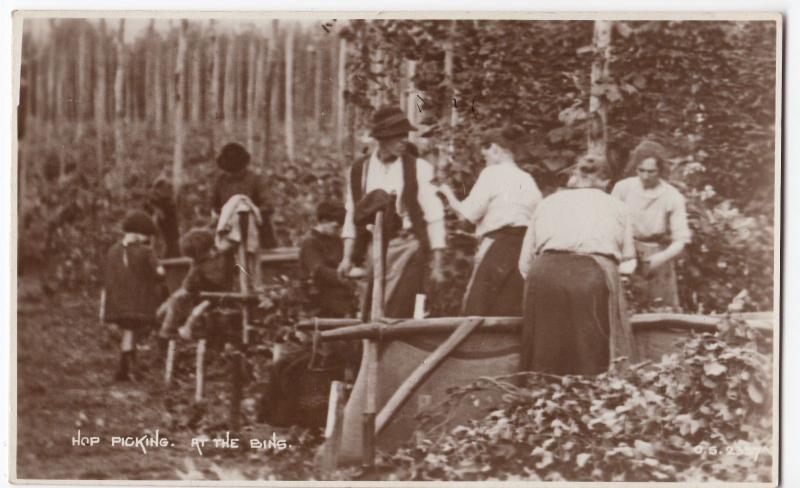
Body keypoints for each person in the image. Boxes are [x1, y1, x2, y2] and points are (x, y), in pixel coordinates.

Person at [517, 154, 638, 376]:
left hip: (544, 275)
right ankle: (590, 401)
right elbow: (628, 259)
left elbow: (525, 262)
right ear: (606, 181)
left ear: (576, 177)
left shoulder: (549, 202)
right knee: (590, 352)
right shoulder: (617, 206)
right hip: (590, 277)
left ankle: (541, 400)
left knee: (546, 350)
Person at [336, 106, 446, 318]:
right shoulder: (360, 170)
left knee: (402, 310)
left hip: (408, 247)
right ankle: (373, 351)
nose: (403, 141)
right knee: (371, 309)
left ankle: (400, 350)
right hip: (374, 248)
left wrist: (438, 265)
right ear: (382, 138)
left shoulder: (418, 168)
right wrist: (346, 257)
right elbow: (352, 214)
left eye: (405, 136)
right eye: (397, 136)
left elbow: (435, 216)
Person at [437, 125, 542, 316]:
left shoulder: (492, 174)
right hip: (525, 249)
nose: (485, 158)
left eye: (486, 153)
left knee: (478, 306)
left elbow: (468, 213)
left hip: (498, 246)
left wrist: (447, 193)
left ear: (495, 149)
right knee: (511, 306)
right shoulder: (528, 179)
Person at [611, 140, 691, 311]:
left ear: (660, 170)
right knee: (627, 306)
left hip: (658, 257)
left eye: (651, 171)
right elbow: (611, 223)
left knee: (661, 308)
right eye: (641, 170)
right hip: (627, 251)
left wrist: (658, 259)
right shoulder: (623, 188)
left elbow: (681, 239)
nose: (645, 176)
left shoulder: (672, 196)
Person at [100, 210, 165, 381]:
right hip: (138, 304)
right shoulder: (146, 251)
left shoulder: (112, 250)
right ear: (138, 234)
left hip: (116, 303)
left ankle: (123, 368)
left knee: (130, 331)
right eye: (146, 236)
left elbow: (107, 278)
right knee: (132, 329)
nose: (148, 239)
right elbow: (160, 272)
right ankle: (132, 368)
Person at [212, 142, 277, 249]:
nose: (232, 174)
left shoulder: (256, 180)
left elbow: (269, 206)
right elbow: (214, 205)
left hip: (258, 234)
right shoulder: (220, 181)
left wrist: (247, 212)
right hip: (228, 234)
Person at [299, 201, 355, 318]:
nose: (338, 230)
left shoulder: (336, 240)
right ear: (323, 221)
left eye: (341, 227)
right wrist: (345, 277)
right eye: (336, 226)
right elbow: (318, 271)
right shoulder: (310, 241)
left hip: (337, 291)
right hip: (318, 294)